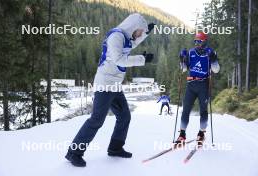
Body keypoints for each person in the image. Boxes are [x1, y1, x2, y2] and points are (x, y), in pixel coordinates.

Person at [65, 13, 155, 167]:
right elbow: (119, 59)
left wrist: (145, 33)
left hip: (114, 85)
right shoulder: (116, 37)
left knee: (124, 116)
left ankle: (115, 148)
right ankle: (73, 153)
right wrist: (142, 59)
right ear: (133, 27)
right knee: (96, 120)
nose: (139, 34)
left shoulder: (125, 38)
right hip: (104, 85)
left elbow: (132, 45)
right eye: (139, 31)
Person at [175, 32, 220, 145]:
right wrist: (182, 59)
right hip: (191, 84)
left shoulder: (210, 52)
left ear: (204, 41)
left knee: (203, 111)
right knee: (185, 110)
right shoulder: (191, 52)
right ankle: (182, 135)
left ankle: (201, 134)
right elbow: (184, 69)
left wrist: (213, 59)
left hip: (203, 85)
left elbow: (216, 70)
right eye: (195, 41)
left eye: (199, 41)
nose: (196, 43)